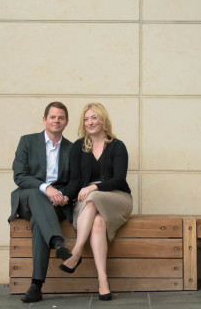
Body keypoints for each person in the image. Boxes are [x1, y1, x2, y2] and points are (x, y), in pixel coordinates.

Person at [59, 102, 133, 301]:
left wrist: (94, 187)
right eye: (86, 119)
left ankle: (75, 253)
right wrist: (64, 196)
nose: (90, 122)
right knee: (98, 222)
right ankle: (103, 280)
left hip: (117, 197)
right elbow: (75, 180)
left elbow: (119, 179)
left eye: (94, 117)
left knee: (93, 197)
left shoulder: (117, 146)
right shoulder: (78, 146)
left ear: (103, 119)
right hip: (87, 201)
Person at [9, 101, 75, 304]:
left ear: (66, 122)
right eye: (53, 117)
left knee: (39, 223)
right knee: (38, 195)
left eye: (61, 117)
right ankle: (57, 242)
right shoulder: (27, 142)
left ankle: (36, 286)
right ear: (44, 119)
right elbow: (20, 176)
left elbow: (74, 181)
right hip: (29, 197)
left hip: (56, 204)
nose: (57, 120)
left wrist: (62, 196)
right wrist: (46, 188)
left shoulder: (72, 149)